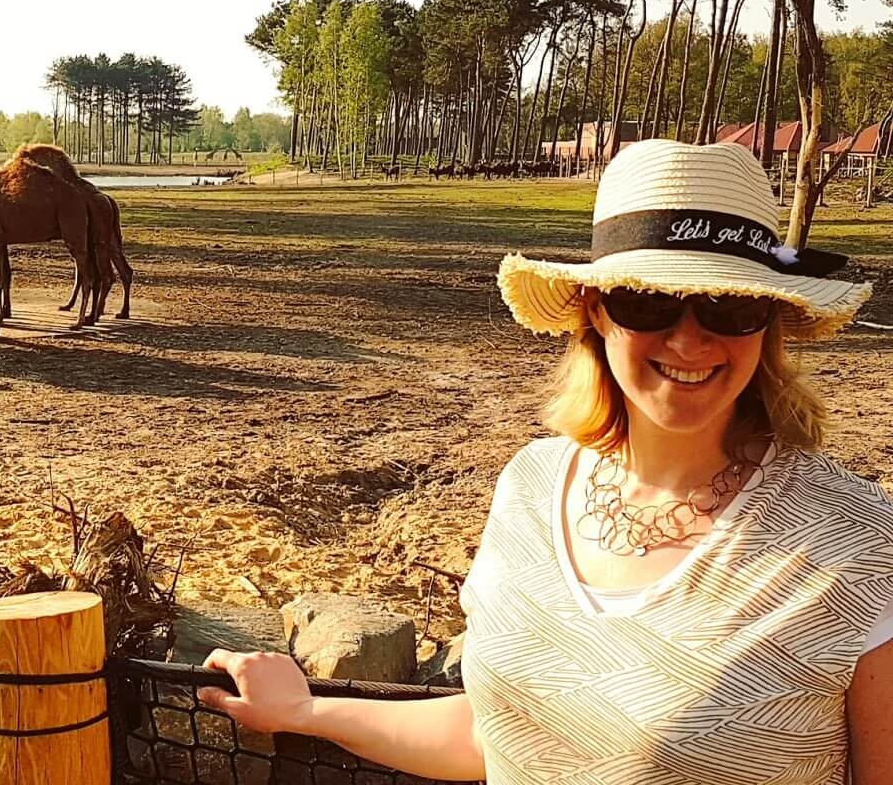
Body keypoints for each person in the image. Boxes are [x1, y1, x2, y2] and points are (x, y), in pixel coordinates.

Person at [197, 140, 893, 784]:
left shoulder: (862, 550)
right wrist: (305, 711)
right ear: (594, 310)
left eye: (729, 306)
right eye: (647, 301)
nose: (689, 339)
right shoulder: (531, 487)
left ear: (768, 321)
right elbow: (492, 730)